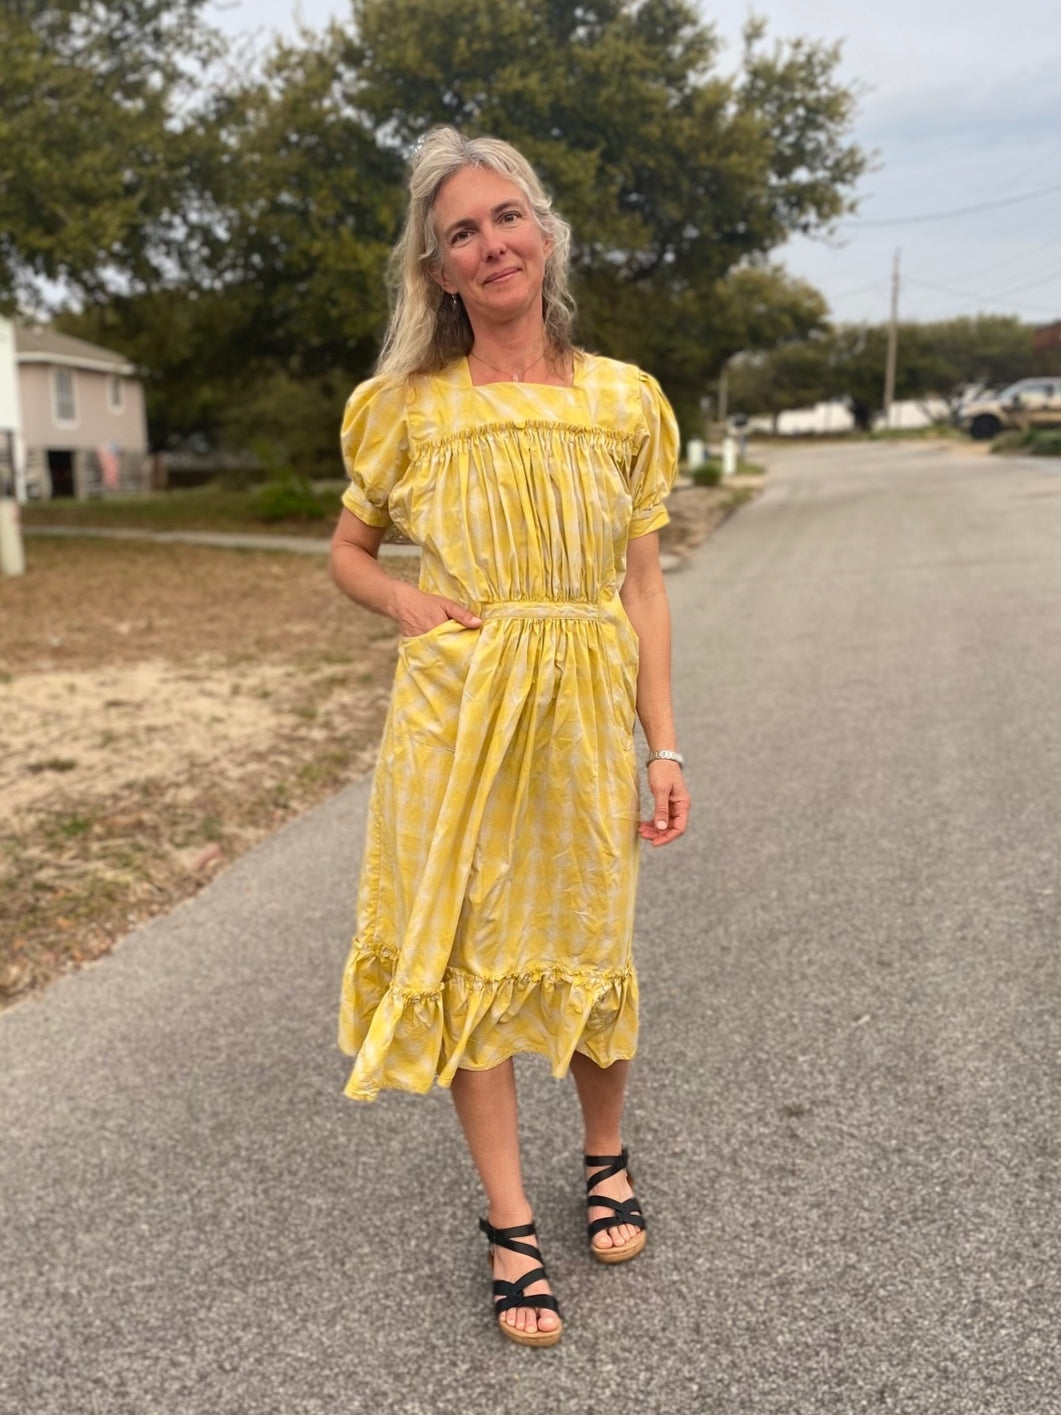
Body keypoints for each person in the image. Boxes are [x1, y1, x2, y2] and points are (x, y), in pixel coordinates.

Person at [330, 127, 690, 1348]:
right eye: (461, 234)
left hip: (585, 707)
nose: (491, 245)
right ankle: (508, 1219)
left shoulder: (623, 398)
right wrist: (402, 600)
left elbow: (642, 587)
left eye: (505, 218)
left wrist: (666, 745)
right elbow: (347, 550)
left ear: (544, 232)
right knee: (469, 957)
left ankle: (604, 1155)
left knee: (589, 936)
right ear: (435, 270)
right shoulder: (403, 409)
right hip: (458, 715)